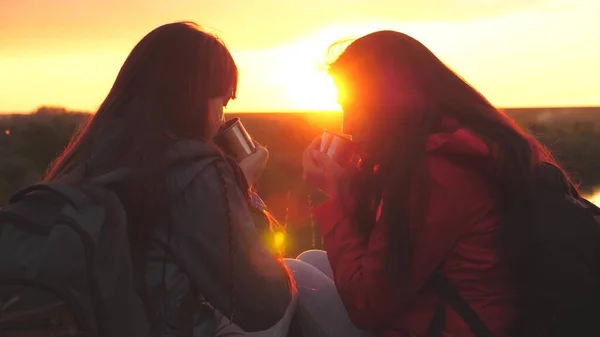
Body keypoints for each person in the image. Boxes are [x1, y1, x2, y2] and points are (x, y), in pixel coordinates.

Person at [301, 30, 575, 337]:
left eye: (355, 107)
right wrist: (357, 181)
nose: (346, 125)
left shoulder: (438, 175)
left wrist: (339, 198)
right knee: (310, 260)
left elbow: (367, 306)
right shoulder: (465, 147)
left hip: (455, 326)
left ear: (390, 103)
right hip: (462, 312)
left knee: (298, 276)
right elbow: (387, 260)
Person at [43, 21, 296, 337]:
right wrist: (244, 190)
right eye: (223, 101)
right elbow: (265, 302)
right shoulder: (194, 173)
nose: (221, 119)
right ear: (192, 98)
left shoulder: (85, 158)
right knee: (302, 283)